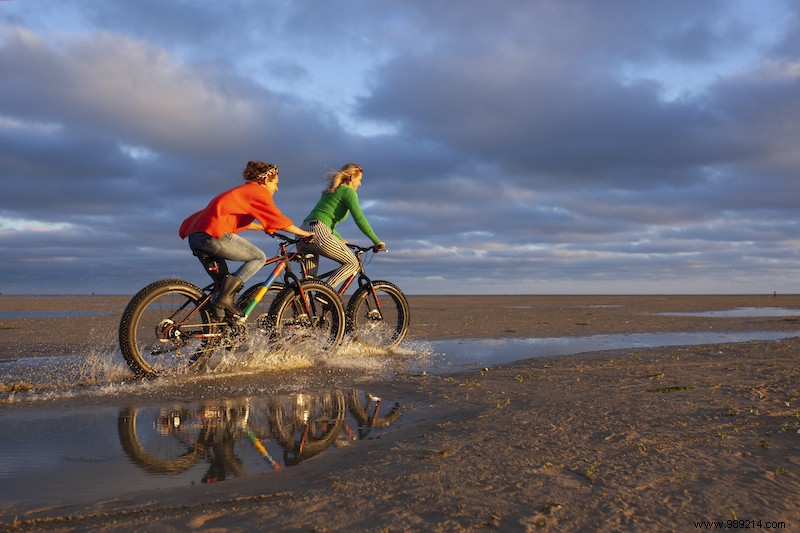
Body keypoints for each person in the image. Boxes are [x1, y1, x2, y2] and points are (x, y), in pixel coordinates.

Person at [179, 161, 314, 316]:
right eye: (275, 183)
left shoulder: (243, 192)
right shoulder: (257, 191)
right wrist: (305, 234)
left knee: (221, 286)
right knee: (258, 257)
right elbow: (279, 220)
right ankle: (224, 297)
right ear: (265, 181)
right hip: (213, 235)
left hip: (197, 236)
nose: (277, 188)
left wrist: (264, 227)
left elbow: (237, 220)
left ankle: (218, 331)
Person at [299, 163, 384, 290]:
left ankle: (298, 307)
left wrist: (338, 237)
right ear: (351, 178)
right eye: (359, 180)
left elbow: (326, 219)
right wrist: (376, 241)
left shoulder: (332, 191)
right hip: (318, 232)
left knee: (308, 284)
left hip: (303, 231)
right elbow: (359, 218)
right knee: (352, 263)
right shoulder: (348, 191)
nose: (360, 184)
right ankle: (325, 293)